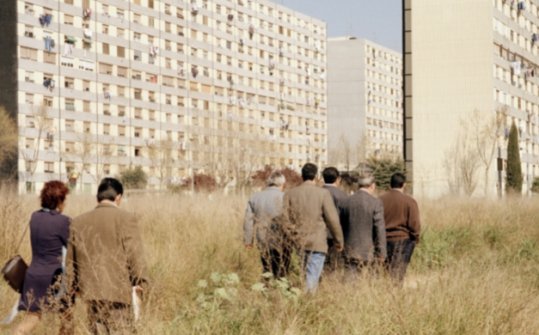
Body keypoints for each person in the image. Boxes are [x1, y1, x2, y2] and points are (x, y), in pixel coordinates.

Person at [66, 178, 148, 334]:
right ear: (118, 197)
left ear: (97, 197)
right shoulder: (127, 218)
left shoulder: (78, 222)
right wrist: (141, 282)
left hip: (90, 294)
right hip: (119, 294)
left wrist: (72, 288)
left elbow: (70, 261)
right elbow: (135, 254)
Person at [14, 181, 71, 335]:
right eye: (64, 199)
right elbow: (73, 247)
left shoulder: (35, 216)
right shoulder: (63, 221)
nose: (65, 203)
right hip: (54, 279)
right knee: (67, 319)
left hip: (32, 275)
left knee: (31, 320)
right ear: (59, 201)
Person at [282, 163, 344, 292]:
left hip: (298, 241)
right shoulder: (323, 193)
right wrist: (339, 240)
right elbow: (332, 220)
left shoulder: (290, 194)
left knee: (304, 273)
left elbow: (284, 219)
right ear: (316, 176)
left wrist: (293, 234)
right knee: (312, 276)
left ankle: (302, 300)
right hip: (318, 242)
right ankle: (308, 301)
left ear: (302, 175)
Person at [244, 171, 291, 278]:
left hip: (262, 238)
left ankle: (267, 289)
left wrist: (248, 240)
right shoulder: (286, 197)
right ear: (282, 184)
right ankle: (280, 289)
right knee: (283, 269)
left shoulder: (255, 197)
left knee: (267, 267)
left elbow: (248, 221)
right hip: (283, 239)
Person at [340, 174, 386, 279]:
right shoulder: (375, 203)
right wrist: (382, 251)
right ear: (372, 186)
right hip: (369, 249)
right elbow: (379, 228)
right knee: (370, 281)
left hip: (349, 247)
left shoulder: (345, 201)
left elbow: (341, 225)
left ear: (358, 186)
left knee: (350, 281)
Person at [379, 172, 421, 283]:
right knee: (398, 272)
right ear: (404, 185)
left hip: (383, 240)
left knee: (384, 271)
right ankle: (396, 293)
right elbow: (414, 223)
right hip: (403, 239)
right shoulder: (409, 201)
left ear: (390, 184)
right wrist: (416, 237)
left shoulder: (380, 200)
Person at [321, 167, 348, 272]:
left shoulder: (318, 192)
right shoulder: (342, 195)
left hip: (319, 233)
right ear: (338, 179)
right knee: (334, 264)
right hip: (336, 234)